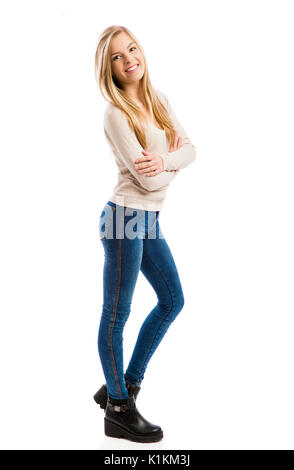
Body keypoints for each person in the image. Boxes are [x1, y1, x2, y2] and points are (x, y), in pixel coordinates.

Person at [94, 25, 196, 443]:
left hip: (148, 220)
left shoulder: (158, 101)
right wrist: (169, 164)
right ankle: (119, 410)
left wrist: (164, 159)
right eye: (117, 56)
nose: (128, 58)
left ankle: (124, 384)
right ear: (110, 68)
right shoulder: (116, 114)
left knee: (173, 300)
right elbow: (148, 181)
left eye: (131, 49)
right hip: (122, 219)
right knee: (117, 315)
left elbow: (192, 149)